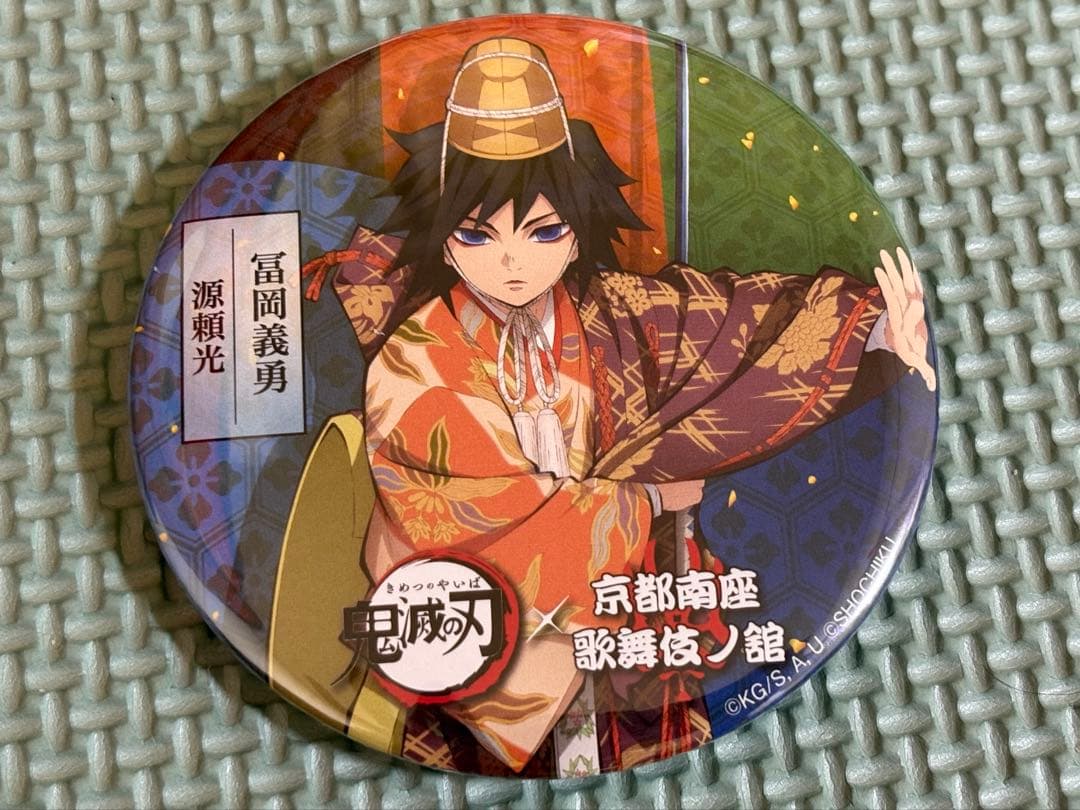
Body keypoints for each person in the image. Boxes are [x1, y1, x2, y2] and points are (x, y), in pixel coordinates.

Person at [293, 35, 935, 776]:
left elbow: (730, 324)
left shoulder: (617, 316)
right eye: (477, 234)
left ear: (577, 235)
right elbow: (466, 512)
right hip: (475, 641)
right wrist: (647, 500)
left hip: (622, 631)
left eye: (544, 231)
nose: (512, 261)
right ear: (444, 241)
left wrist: (875, 329)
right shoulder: (415, 359)